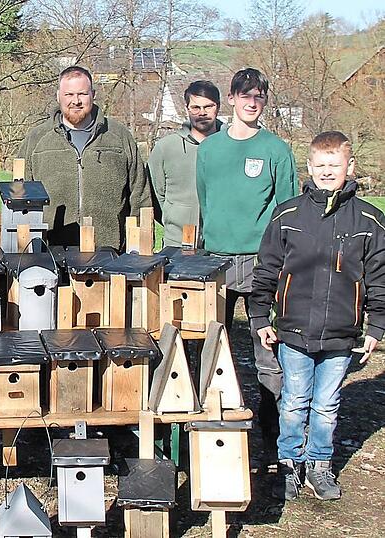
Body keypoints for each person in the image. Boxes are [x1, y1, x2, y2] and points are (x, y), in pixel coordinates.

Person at [249, 131, 384, 501]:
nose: (327, 172)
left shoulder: (370, 220)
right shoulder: (289, 214)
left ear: (349, 167)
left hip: (341, 334)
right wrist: (260, 317)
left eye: (335, 165)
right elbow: (267, 269)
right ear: (309, 167)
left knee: (326, 404)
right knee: (293, 400)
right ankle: (289, 464)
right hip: (294, 330)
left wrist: (377, 325)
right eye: (320, 165)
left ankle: (319, 466)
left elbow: (378, 277)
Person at [196, 68, 297, 462]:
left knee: (266, 348)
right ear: (232, 100)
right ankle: (210, 424)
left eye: (259, 96)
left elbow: (289, 210)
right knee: (211, 344)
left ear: (264, 102)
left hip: (261, 262)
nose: (251, 102)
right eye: (245, 95)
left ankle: (274, 431)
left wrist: (280, 259)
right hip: (215, 261)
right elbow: (205, 202)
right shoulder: (210, 149)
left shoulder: (276, 150)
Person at [17, 66, 151, 250]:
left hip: (109, 249)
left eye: (82, 94)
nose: (76, 101)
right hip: (50, 250)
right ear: (58, 96)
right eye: (69, 94)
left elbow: (140, 195)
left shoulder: (119, 136)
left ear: (93, 95)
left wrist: (137, 245)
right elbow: (20, 196)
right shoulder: (37, 139)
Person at [148, 80, 223, 247]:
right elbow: (156, 195)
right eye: (196, 107)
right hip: (177, 243)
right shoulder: (166, 148)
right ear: (187, 109)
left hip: (222, 243)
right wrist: (177, 215)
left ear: (218, 107)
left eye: (208, 107)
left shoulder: (231, 145)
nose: (202, 113)